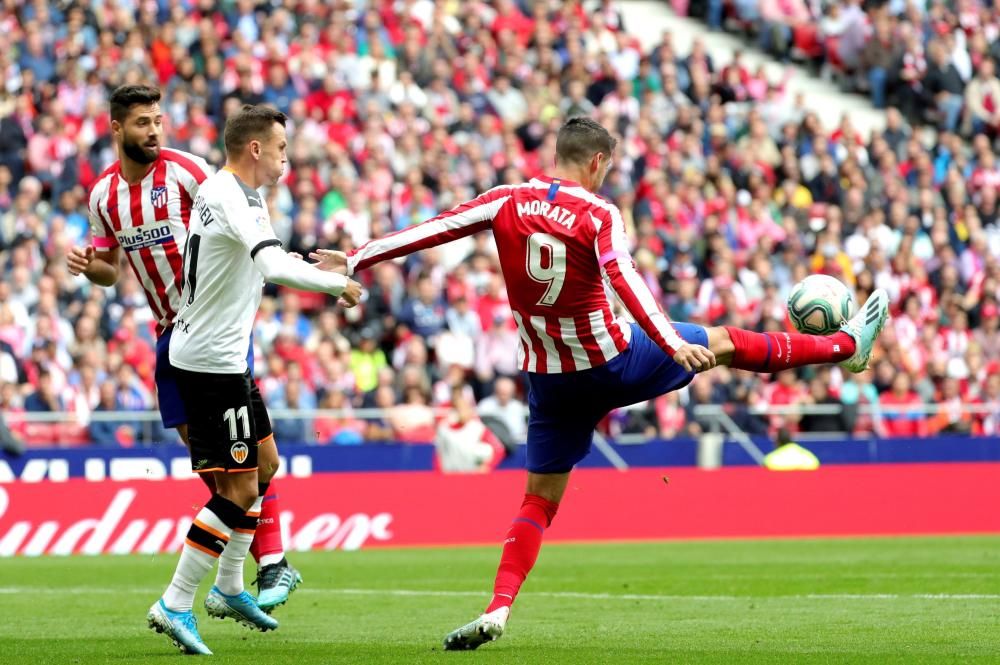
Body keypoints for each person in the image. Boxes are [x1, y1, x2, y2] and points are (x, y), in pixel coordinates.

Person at [311, 117, 889, 650]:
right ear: (596, 163)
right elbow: (625, 278)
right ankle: (844, 347)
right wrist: (670, 343)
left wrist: (358, 258)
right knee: (728, 341)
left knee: (539, 498)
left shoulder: (504, 201)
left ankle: (498, 608)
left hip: (551, 381)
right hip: (614, 360)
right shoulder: (598, 213)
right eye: (608, 167)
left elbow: (434, 229)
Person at [66, 85, 304, 612]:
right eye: (142, 122)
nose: (153, 130)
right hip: (170, 342)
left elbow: (241, 211)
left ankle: (262, 568)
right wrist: (92, 269)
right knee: (222, 472)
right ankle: (234, 583)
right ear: (117, 129)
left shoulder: (188, 171)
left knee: (255, 463)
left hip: (212, 333)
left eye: (158, 120)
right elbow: (110, 267)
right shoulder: (103, 196)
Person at [147, 104, 362, 655]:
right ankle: (174, 602)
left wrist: (324, 269)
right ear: (256, 149)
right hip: (211, 363)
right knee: (238, 489)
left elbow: (266, 256)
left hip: (221, 357)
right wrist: (336, 288)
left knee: (265, 466)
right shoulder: (228, 194)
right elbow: (273, 268)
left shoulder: (241, 196)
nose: (288, 157)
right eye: (282, 147)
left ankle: (230, 585)